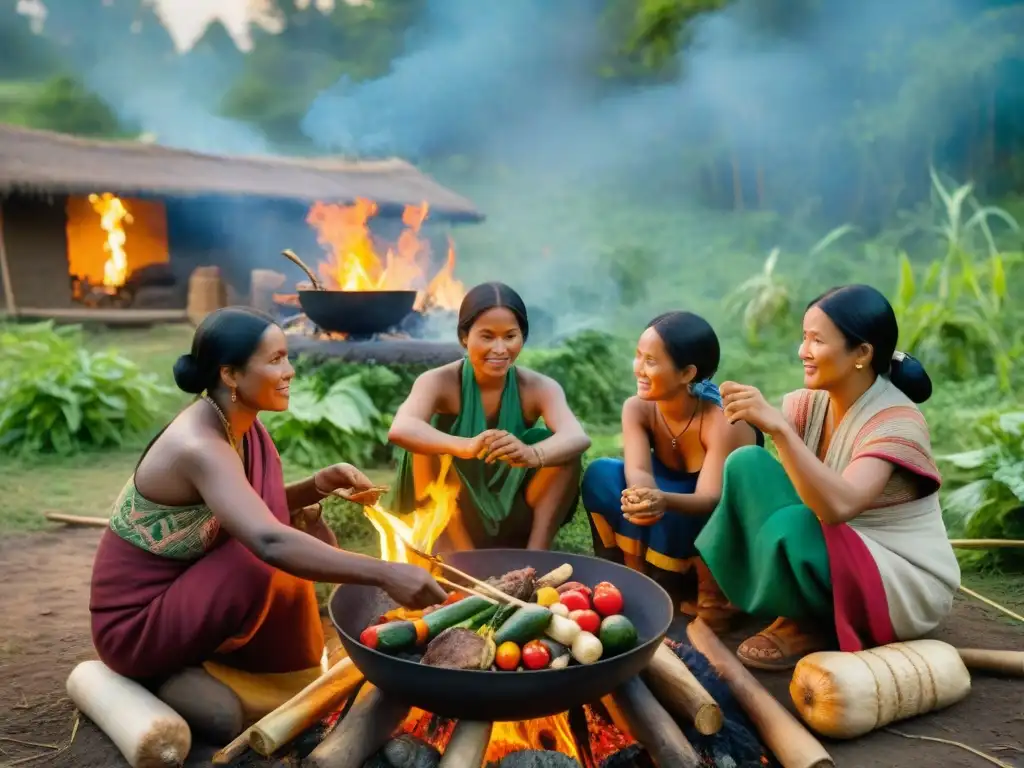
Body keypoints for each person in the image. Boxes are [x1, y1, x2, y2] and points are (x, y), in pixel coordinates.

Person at [89, 307, 447, 742]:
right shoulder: (199, 445)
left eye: (287, 357)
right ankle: (169, 672)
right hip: (136, 625)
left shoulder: (239, 425)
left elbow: (252, 509)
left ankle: (260, 670)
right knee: (266, 556)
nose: (290, 371)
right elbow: (267, 538)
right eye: (275, 359)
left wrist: (316, 485)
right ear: (231, 375)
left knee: (295, 534)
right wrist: (385, 571)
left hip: (187, 587)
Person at [696, 284, 960, 670]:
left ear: (862, 354)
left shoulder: (897, 421)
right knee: (746, 464)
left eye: (817, 340)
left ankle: (808, 622)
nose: (803, 351)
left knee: (795, 521)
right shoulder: (808, 404)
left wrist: (780, 431)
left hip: (898, 579)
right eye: (804, 338)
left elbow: (838, 507)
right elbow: (780, 486)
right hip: (837, 545)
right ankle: (749, 596)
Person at [581, 311, 762, 628]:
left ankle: (710, 595)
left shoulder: (722, 420)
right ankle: (627, 573)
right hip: (670, 496)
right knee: (601, 474)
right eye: (638, 356)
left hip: (714, 511)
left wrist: (661, 500)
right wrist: (642, 498)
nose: (639, 368)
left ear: (686, 373)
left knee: (684, 504)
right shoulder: (637, 407)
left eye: (651, 361)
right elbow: (638, 470)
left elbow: (709, 499)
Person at [388, 282, 591, 551]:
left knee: (559, 449)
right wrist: (465, 446)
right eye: (487, 336)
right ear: (464, 337)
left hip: (516, 507)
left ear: (522, 337)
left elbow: (576, 436)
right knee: (426, 446)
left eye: (510, 336)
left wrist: (532, 454)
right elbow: (401, 428)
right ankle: (459, 556)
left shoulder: (539, 387)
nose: (500, 349)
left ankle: (537, 554)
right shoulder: (438, 381)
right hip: (453, 510)